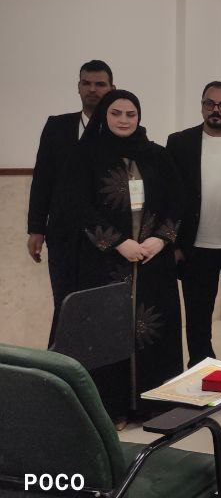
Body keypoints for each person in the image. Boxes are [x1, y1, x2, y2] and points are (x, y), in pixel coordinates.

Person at [65, 89, 183, 424]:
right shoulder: (85, 156)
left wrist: (161, 240)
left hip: (152, 260)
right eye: (116, 113)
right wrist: (117, 242)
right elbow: (78, 206)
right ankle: (110, 409)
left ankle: (153, 405)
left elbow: (178, 200)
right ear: (104, 115)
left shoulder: (157, 155)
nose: (123, 120)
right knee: (107, 331)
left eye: (130, 114)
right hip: (104, 262)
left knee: (154, 331)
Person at [167, 81, 221, 366]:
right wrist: (173, 243)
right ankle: (200, 372)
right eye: (210, 103)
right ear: (202, 106)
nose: (216, 110)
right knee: (197, 319)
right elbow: (169, 196)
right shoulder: (179, 143)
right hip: (194, 246)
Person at [29, 59, 114, 342]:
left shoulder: (120, 127)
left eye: (99, 84)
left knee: (101, 307)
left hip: (107, 236)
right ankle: (61, 364)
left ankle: (102, 366)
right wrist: (36, 228)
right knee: (65, 303)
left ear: (111, 88)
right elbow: (43, 179)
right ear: (78, 87)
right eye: (86, 83)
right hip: (63, 233)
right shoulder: (57, 126)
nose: (93, 89)